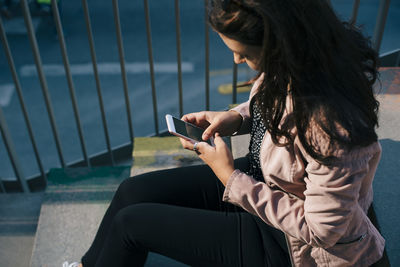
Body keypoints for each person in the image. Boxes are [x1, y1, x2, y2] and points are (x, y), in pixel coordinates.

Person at [65, 0, 387, 266]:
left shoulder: (333, 128)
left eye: (244, 54)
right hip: (268, 184)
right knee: (131, 192)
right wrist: (236, 118)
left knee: (129, 226)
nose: (236, 60)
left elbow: (322, 231)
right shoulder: (300, 64)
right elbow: (281, 109)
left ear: (281, 42)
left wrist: (229, 176)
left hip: (292, 247)